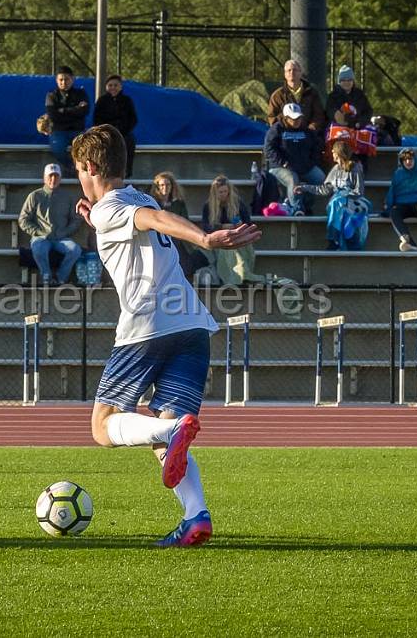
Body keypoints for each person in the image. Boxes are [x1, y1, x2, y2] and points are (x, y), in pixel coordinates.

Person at [71, 123, 261, 547]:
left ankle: (170, 433)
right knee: (164, 426)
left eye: (78, 171)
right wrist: (94, 215)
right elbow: (146, 217)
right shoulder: (134, 196)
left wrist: (206, 238)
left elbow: (151, 219)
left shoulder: (117, 208)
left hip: (147, 326)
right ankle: (196, 517)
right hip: (191, 325)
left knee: (103, 428)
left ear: (88, 166)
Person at [294, 140, 366, 250]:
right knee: (337, 204)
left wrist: (344, 196)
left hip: (353, 203)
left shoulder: (354, 168)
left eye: (333, 152)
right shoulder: (335, 169)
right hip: (337, 204)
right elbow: (325, 189)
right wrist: (305, 188)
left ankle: (335, 240)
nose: (331, 153)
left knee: (338, 204)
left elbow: (359, 192)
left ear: (338, 153)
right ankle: (339, 240)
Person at [18, 163, 83, 285]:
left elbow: (76, 219)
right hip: (41, 237)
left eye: (56, 176)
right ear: (44, 177)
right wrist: (38, 232)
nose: (53, 179)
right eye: (50, 176)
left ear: (60, 178)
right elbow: (23, 219)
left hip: (61, 238)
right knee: (38, 248)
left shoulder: (67, 197)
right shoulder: (34, 196)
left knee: (75, 250)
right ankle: (46, 277)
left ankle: (61, 278)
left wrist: (65, 232)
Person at [201, 175, 266, 285]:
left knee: (241, 247)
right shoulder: (208, 206)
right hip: (218, 240)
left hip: (237, 235)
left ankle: (243, 274)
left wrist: (240, 225)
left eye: (225, 191)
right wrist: (222, 227)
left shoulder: (237, 203)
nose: (223, 194)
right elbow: (206, 227)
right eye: (220, 192)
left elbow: (248, 223)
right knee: (228, 250)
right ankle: (234, 277)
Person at [263, 102, 325, 215]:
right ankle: (296, 208)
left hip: (304, 166)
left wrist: (312, 162)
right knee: (292, 178)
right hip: (280, 167)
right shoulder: (276, 130)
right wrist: (283, 163)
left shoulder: (307, 131)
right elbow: (269, 149)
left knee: (319, 178)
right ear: (286, 118)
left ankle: (306, 205)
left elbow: (316, 147)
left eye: (299, 118)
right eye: (293, 118)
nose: (297, 121)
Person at [150, 171, 207, 279]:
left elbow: (185, 221)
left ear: (172, 186)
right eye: (162, 185)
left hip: (177, 237)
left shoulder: (179, 204)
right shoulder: (152, 203)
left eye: (168, 185)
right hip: (158, 239)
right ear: (157, 187)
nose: (165, 187)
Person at [45, 66, 89, 174]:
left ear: (72, 79)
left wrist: (62, 111)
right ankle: (71, 168)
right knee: (57, 148)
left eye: (67, 79)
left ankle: (81, 170)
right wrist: (74, 110)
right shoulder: (51, 95)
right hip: (59, 131)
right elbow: (53, 115)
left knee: (84, 149)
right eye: (61, 79)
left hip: (77, 130)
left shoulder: (81, 94)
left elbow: (84, 111)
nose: (64, 82)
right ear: (57, 80)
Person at [92, 74, 138, 177]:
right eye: (110, 85)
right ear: (106, 87)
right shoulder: (102, 101)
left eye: (116, 85)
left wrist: (122, 130)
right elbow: (97, 120)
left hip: (124, 133)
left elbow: (133, 119)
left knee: (128, 142)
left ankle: (126, 171)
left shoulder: (127, 101)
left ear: (120, 86)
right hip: (106, 133)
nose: (113, 88)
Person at [266, 59, 326, 132]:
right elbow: (271, 117)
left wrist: (311, 128)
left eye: (295, 70)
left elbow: (319, 115)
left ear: (300, 73)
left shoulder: (312, 93)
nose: (292, 72)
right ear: (285, 74)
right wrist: (287, 125)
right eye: (289, 70)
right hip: (285, 135)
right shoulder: (277, 95)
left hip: (308, 135)